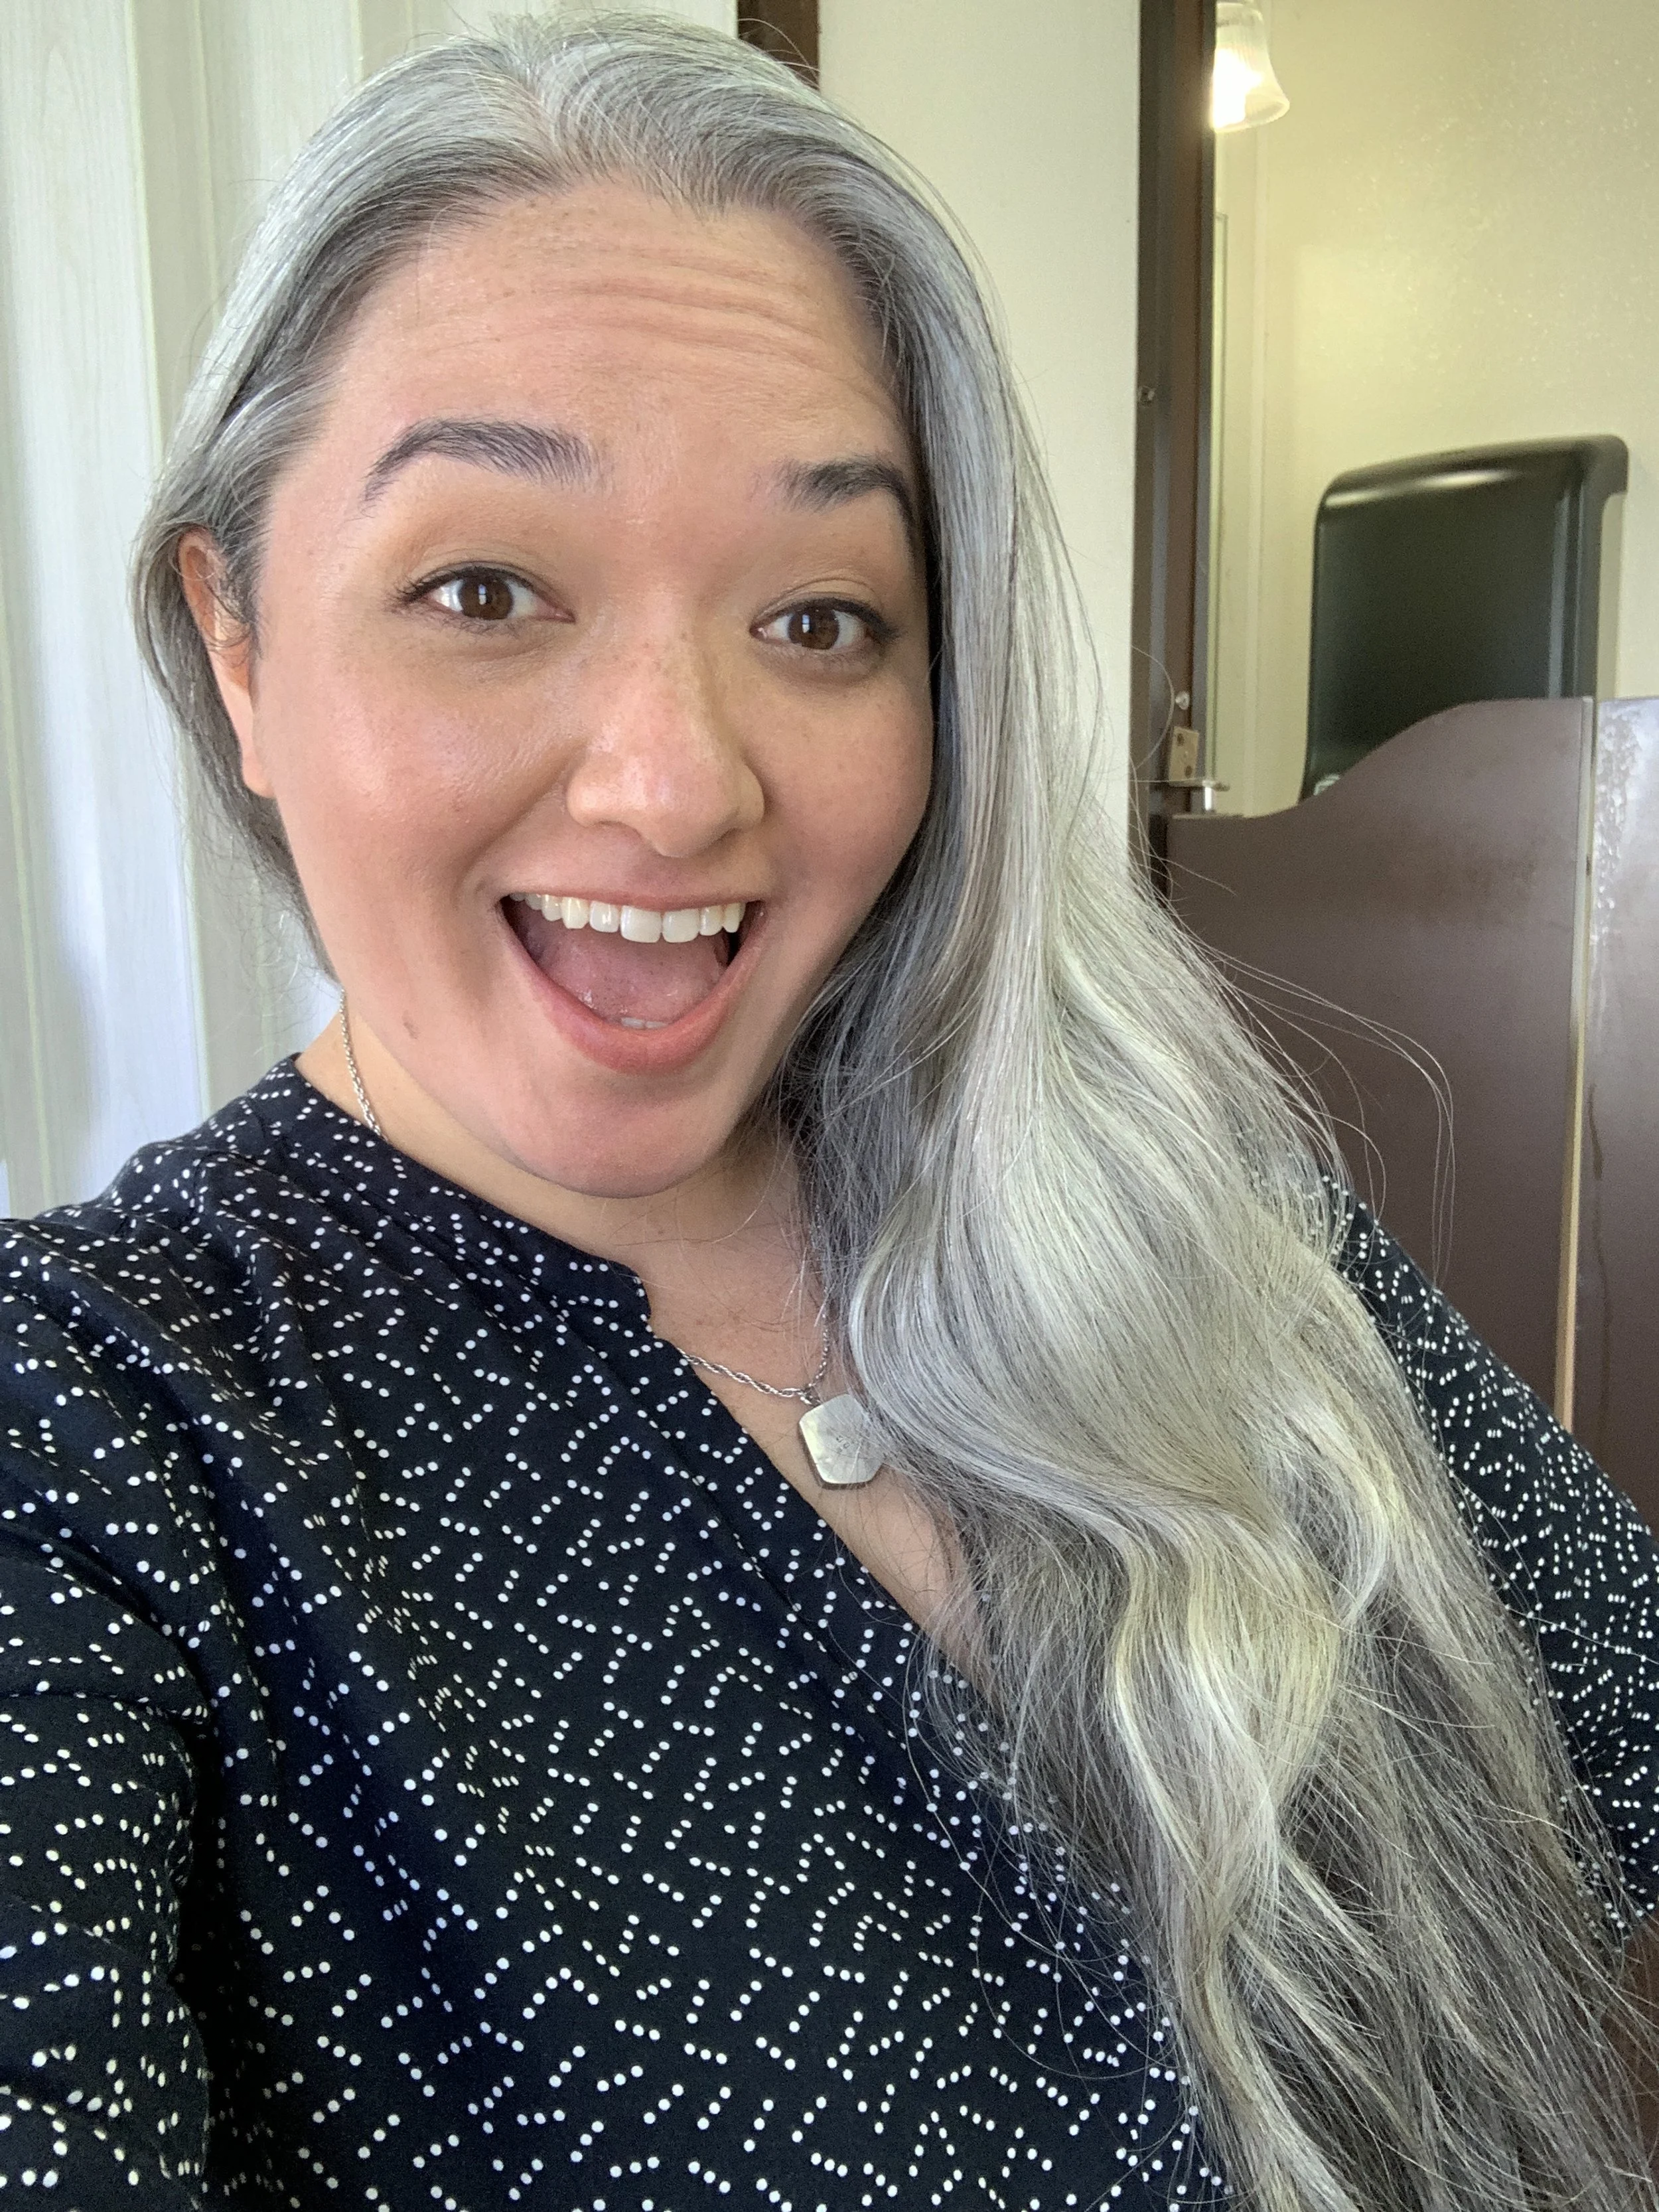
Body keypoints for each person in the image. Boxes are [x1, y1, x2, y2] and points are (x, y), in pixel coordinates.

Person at [0, 17, 1654, 2209]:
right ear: (238, 641)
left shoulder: (1161, 1199)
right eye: (485, 590)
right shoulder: (94, 1433)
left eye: (818, 616)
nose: (676, 784)